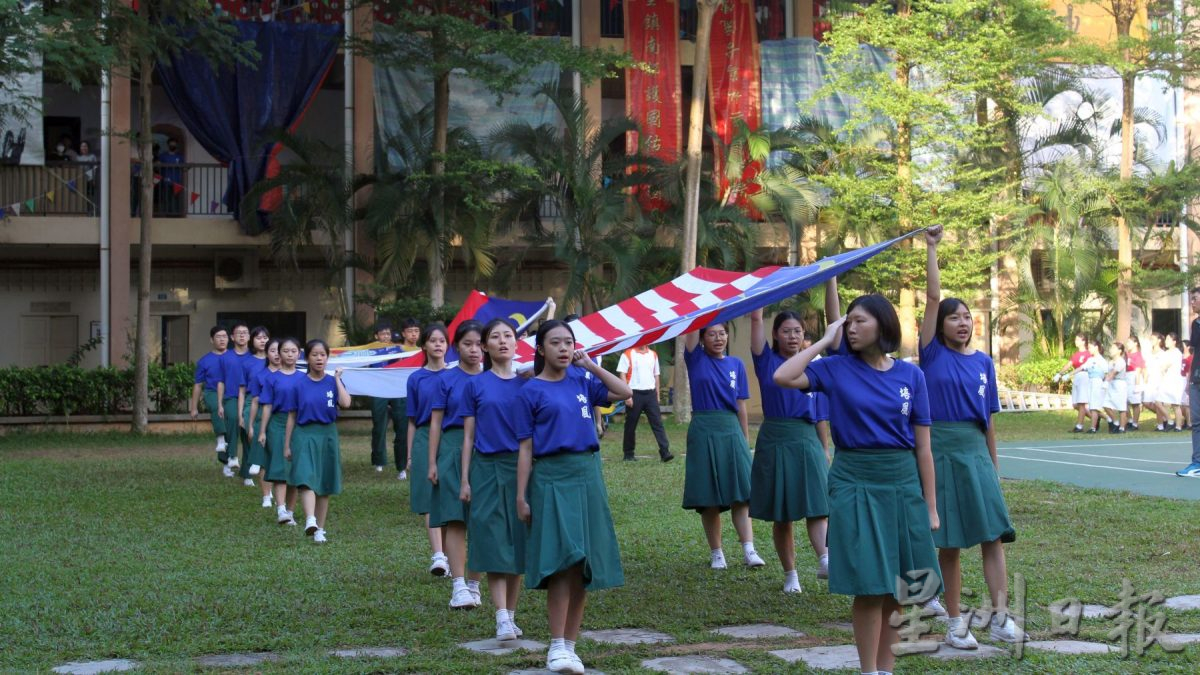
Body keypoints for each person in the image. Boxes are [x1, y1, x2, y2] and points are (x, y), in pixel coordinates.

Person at [773, 293, 940, 675]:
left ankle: (886, 670)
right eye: (848, 322)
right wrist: (822, 341)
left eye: (859, 320)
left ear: (883, 323)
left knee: (898, 587)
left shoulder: (911, 375)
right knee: (868, 585)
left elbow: (924, 448)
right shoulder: (834, 368)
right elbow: (783, 376)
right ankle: (868, 671)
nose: (851, 327)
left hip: (900, 481)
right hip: (854, 479)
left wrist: (930, 506)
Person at [920, 226, 1022, 649]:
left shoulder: (983, 362)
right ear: (940, 325)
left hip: (975, 452)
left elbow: (989, 422)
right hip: (941, 452)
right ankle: (955, 622)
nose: (962, 322)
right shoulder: (931, 353)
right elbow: (930, 297)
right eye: (953, 316)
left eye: (966, 317)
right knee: (950, 542)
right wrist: (931, 248)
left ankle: (1000, 618)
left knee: (991, 537)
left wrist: (993, 468)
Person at [515, 320, 631, 675]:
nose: (564, 349)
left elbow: (624, 391)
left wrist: (591, 364)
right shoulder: (529, 391)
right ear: (540, 349)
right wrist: (521, 496)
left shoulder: (582, 380)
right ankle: (555, 646)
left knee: (584, 565)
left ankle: (571, 646)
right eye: (555, 343)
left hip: (587, 475)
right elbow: (525, 448)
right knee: (563, 563)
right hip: (551, 477)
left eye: (569, 342)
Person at [748, 306, 830, 594]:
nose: (793, 336)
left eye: (798, 331)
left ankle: (824, 559)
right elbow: (755, 317)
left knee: (817, 505)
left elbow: (820, 413)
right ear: (775, 334)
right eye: (786, 331)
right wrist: (764, 292)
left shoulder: (813, 366)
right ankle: (790, 574)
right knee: (782, 513)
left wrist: (824, 448)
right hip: (775, 437)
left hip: (806, 437)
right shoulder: (765, 360)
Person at [461, 318, 529, 640]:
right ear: (485, 346)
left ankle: (511, 615)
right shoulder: (475, 384)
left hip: (519, 468)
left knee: (516, 543)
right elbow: (468, 437)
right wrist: (464, 479)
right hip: (485, 468)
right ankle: (501, 616)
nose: (502, 341)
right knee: (492, 540)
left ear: (517, 343)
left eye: (508, 336)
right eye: (495, 337)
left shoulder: (528, 383)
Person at [682, 322, 765, 570]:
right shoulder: (695, 358)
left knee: (742, 493)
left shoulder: (736, 365)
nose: (718, 338)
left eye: (722, 333)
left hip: (730, 429)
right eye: (711, 334)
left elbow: (740, 405)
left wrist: (744, 437)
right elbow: (691, 328)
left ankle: (749, 550)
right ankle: (717, 553)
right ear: (702, 338)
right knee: (708, 496)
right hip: (703, 428)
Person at [428, 320, 486, 610]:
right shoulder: (446, 380)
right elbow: (435, 423)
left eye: (479, 344)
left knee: (482, 519)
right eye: (467, 344)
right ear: (456, 347)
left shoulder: (492, 378)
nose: (474, 350)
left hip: (486, 451)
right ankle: (459, 585)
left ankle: (475, 585)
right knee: (455, 518)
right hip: (451, 449)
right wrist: (432, 462)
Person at [284, 339, 351, 544]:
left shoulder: (332, 381)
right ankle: (310, 519)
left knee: (325, 483)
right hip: (304, 433)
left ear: (327, 358)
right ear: (307, 358)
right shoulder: (299, 384)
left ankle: (320, 529)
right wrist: (287, 444)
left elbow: (346, 403)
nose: (319, 358)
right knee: (305, 476)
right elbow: (292, 416)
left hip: (328, 434)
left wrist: (338, 379)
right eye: (314, 354)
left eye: (322, 355)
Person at [407, 324, 451, 575]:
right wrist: (411, 454)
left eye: (442, 341)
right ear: (423, 345)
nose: (437, 344)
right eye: (432, 340)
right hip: (424, 436)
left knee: (448, 496)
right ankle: (437, 555)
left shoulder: (455, 375)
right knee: (428, 497)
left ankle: (447, 553)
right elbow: (411, 420)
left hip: (450, 437)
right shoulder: (415, 378)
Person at [258, 337, 303, 526]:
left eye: (293, 351)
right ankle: (281, 509)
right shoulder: (271, 378)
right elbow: (267, 406)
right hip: (277, 424)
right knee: (279, 466)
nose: (289, 354)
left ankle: (291, 512)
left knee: (295, 470)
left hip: (299, 425)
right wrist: (262, 431)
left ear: (299, 353)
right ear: (279, 353)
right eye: (285, 351)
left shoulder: (304, 377)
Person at [616, 344, 673, 462]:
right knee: (630, 425)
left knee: (657, 423)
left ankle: (665, 451)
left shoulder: (653, 354)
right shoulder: (627, 353)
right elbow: (622, 374)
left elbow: (656, 375)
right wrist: (627, 395)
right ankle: (628, 453)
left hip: (650, 393)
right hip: (634, 393)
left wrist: (657, 394)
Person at [237, 327, 271, 504]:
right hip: (252, 401)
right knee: (253, 436)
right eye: (259, 338)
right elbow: (242, 390)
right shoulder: (247, 363)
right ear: (252, 340)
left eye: (266, 337)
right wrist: (240, 414)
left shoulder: (275, 359)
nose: (263, 341)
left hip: (271, 401)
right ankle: (255, 463)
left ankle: (266, 479)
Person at [190, 326, 231, 467]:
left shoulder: (233, 357)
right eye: (218, 337)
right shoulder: (204, 361)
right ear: (211, 340)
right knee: (216, 408)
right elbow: (198, 385)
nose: (222, 339)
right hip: (212, 392)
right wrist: (194, 407)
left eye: (224, 336)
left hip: (230, 393)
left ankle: (227, 461)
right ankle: (220, 437)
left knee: (231, 425)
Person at [247, 337, 280, 509]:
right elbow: (254, 402)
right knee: (264, 459)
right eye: (272, 350)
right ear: (267, 353)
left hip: (282, 421)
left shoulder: (289, 374)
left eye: (278, 350)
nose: (276, 354)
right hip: (263, 419)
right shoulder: (260, 376)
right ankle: (267, 496)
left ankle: (280, 494)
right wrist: (251, 425)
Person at [369, 321, 405, 474]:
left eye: (388, 334)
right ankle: (379, 461)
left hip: (396, 388)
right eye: (382, 333)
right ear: (376, 336)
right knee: (379, 425)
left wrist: (401, 354)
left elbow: (405, 364)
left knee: (401, 425)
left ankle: (402, 466)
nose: (386, 336)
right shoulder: (369, 350)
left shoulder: (396, 349)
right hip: (378, 389)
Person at [217, 323, 249, 480]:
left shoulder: (255, 357)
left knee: (248, 433)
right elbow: (220, 381)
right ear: (232, 337)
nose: (242, 335)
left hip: (250, 398)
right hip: (231, 396)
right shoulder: (225, 357)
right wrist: (219, 403)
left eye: (245, 333)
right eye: (238, 333)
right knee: (234, 419)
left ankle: (247, 472)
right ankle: (231, 457)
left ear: (249, 337)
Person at [394, 317, 422, 479]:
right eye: (410, 331)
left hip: (420, 394)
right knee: (402, 431)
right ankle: (402, 467)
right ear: (403, 333)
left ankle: (417, 461)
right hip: (401, 394)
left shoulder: (422, 350)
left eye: (416, 331)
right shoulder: (396, 351)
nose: (413, 334)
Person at [1179, 287, 1200, 477]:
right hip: (1196, 380)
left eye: (1194, 299)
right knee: (1196, 422)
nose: (1192, 303)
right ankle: (1197, 463)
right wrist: (1189, 378)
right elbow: (1194, 354)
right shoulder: (1196, 324)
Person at [1052, 334, 1091, 433]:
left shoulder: (1088, 353)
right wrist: (1059, 374)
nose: (1076, 341)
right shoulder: (1076, 354)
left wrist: (1069, 375)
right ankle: (1095, 417)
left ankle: (1079, 426)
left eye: (1078, 340)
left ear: (1083, 341)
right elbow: (1069, 365)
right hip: (1077, 378)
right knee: (1075, 404)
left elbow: (1086, 367)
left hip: (1084, 377)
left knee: (1082, 403)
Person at [1079, 339, 1109, 434]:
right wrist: (1068, 375)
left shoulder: (1101, 360)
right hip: (1090, 382)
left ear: (1096, 347)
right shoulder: (1090, 360)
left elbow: (1106, 373)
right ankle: (1109, 420)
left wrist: (1105, 383)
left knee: (1094, 407)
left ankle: (1093, 428)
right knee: (1089, 406)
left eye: (1091, 348)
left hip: (1098, 383)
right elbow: (1081, 368)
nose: (1089, 350)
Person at [1158, 333, 1185, 431]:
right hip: (1166, 379)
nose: (1166, 341)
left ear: (1174, 342)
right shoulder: (1166, 352)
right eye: (1166, 339)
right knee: (1159, 402)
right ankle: (1170, 420)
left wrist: (1162, 368)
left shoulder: (1176, 353)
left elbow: (1166, 365)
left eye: (1169, 339)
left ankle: (1178, 426)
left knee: (1175, 405)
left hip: (1174, 381)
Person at [1103, 342, 1129, 434]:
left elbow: (1114, 373)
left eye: (1113, 348)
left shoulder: (1121, 361)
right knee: (1106, 404)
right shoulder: (1110, 362)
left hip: (1119, 384)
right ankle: (1116, 422)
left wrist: (1106, 381)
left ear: (1119, 351)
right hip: (1111, 384)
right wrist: (1106, 381)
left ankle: (1122, 428)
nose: (1111, 350)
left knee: (1121, 407)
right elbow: (1108, 373)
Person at [157, 138, 186, 216]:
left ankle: (175, 215)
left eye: (174, 144)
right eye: (171, 144)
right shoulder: (163, 155)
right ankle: (167, 214)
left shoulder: (180, 156)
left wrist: (189, 166)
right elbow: (157, 165)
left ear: (176, 145)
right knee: (167, 198)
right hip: (166, 181)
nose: (172, 145)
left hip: (177, 181)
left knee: (176, 199)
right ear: (168, 145)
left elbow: (184, 167)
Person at [1125, 336, 1145, 431]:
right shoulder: (1127, 354)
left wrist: (1137, 385)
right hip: (1126, 377)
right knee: (1124, 401)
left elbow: (1138, 371)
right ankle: (1129, 420)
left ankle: (1135, 424)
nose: (1127, 344)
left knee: (1135, 403)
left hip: (1134, 378)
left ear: (1135, 343)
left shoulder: (1138, 355)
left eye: (1129, 342)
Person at [74, 140, 98, 216]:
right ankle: (82, 212)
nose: (84, 148)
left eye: (85, 146)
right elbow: (75, 169)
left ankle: (91, 212)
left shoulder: (92, 157)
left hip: (89, 179)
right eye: (82, 146)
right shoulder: (77, 158)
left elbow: (95, 168)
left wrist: (94, 179)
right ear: (80, 148)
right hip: (80, 181)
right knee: (81, 196)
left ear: (88, 148)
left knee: (90, 196)